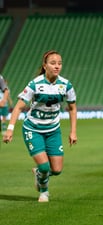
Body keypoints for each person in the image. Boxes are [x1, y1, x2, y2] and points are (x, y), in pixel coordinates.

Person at [2, 50, 77, 203]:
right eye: (53, 63)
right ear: (45, 66)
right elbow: (18, 107)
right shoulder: (35, 84)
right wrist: (10, 129)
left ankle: (39, 174)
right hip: (33, 129)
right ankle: (44, 192)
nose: (57, 66)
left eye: (59, 63)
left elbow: (73, 108)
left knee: (56, 170)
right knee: (44, 167)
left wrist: (73, 132)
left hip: (53, 130)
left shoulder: (66, 85)